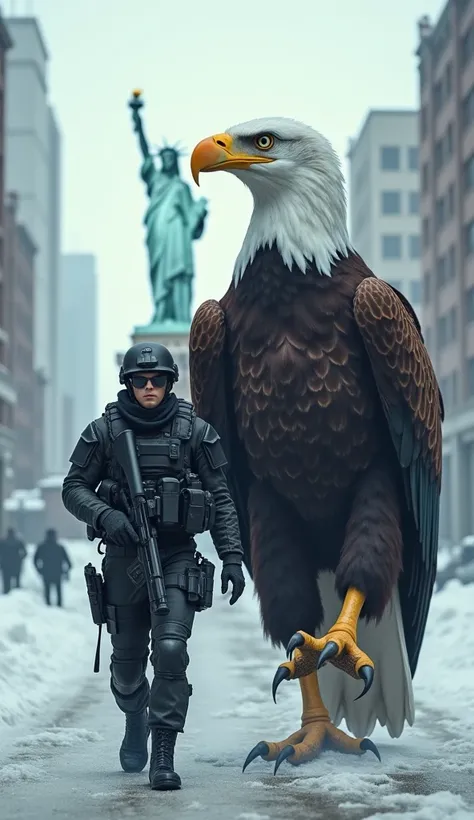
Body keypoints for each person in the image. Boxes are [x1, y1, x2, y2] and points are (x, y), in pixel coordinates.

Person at [62, 342, 245, 791]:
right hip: (125, 558)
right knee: (126, 670)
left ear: (169, 382)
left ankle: (163, 752)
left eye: (157, 380)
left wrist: (233, 557)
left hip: (178, 554)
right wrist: (106, 516)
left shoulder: (196, 432)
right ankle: (134, 718)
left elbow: (221, 498)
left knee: (169, 650)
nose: (149, 387)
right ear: (128, 382)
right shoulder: (103, 432)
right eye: (141, 380)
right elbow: (72, 488)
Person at [33, 529, 72, 606]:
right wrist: (66, 572)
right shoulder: (59, 547)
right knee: (58, 590)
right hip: (57, 572)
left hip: (46, 572)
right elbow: (68, 562)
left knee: (47, 590)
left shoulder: (42, 547)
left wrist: (39, 570)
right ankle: (59, 605)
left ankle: (48, 605)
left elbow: (35, 560)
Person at [0, 527, 27, 593]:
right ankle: (17, 593)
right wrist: (20, 559)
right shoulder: (18, 541)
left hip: (5, 564)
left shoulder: (3, 542)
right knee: (17, 580)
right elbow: (25, 553)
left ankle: (7, 592)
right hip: (16, 563)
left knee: (6, 581)